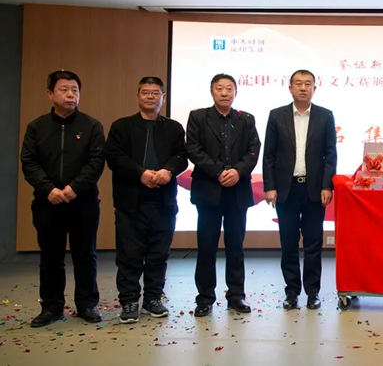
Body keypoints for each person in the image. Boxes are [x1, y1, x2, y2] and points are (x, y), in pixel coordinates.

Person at [20, 70, 106, 327]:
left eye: (75, 90)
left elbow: (96, 162)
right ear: (50, 94)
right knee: (50, 257)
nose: (70, 95)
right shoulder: (37, 127)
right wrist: (49, 189)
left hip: (83, 202)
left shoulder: (92, 126)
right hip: (47, 202)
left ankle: (87, 304)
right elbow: (29, 162)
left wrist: (74, 188)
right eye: (64, 90)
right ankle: (51, 307)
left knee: (86, 255)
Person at [104, 77, 188, 324]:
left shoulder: (173, 128)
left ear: (163, 98)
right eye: (145, 92)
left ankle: (153, 299)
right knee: (129, 255)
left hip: (163, 202)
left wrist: (168, 171)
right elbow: (114, 157)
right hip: (130, 202)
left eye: (155, 93)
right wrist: (140, 173)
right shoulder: (122, 126)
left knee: (158, 255)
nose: (150, 97)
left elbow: (182, 156)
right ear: (138, 96)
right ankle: (129, 301)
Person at [186, 73, 261, 317]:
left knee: (235, 246)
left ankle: (236, 295)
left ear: (236, 92)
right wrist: (219, 171)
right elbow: (193, 149)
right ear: (212, 91)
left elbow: (253, 149)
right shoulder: (198, 117)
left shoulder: (246, 119)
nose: (224, 93)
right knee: (206, 245)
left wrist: (237, 172)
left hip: (237, 191)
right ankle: (205, 297)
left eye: (229, 89)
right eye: (219, 88)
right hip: (209, 190)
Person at [263, 69, 337, 310]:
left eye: (308, 84)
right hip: (287, 189)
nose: (303, 88)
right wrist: (270, 187)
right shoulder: (277, 115)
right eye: (298, 83)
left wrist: (327, 185)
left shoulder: (325, 116)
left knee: (314, 243)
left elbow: (330, 155)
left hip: (314, 190)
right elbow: (269, 155)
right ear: (290, 88)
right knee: (289, 242)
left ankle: (313, 292)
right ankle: (292, 292)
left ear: (314, 88)